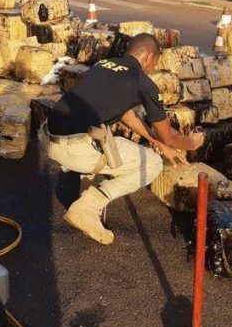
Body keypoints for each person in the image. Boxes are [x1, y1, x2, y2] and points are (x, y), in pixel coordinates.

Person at [41, 33, 205, 245]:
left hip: (48, 137)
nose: (153, 68)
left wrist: (158, 143)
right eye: (155, 62)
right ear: (147, 57)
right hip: (75, 149)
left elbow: (128, 114)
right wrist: (191, 143)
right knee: (152, 163)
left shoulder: (104, 65)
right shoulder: (142, 82)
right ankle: (88, 207)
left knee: (107, 135)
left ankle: (87, 172)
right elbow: (170, 135)